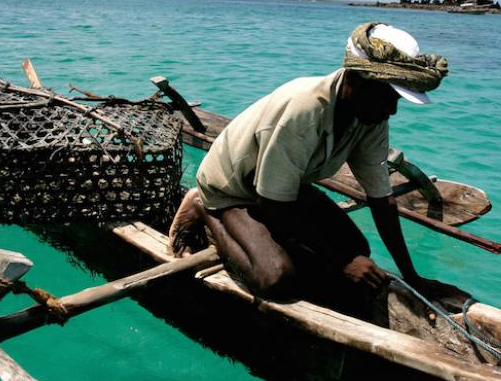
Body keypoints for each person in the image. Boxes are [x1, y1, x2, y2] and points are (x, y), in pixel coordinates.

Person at [168, 22, 468, 309]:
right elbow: (272, 203)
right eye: (387, 97)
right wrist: (341, 262)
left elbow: (381, 199)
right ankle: (204, 210)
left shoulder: (371, 115)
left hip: (285, 188)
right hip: (232, 189)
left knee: (358, 249)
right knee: (275, 279)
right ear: (355, 79)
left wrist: (413, 277)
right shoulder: (304, 110)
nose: (392, 110)